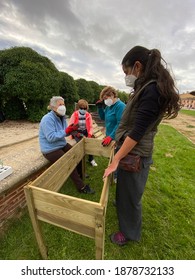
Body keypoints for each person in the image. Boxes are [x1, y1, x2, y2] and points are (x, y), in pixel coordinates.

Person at [103, 46, 181, 245]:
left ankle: (129, 234)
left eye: (126, 72)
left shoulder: (152, 90)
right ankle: (123, 208)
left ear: (137, 66)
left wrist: (117, 159)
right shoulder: (146, 87)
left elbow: (137, 133)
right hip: (132, 151)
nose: (126, 77)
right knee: (126, 191)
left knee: (131, 197)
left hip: (135, 154)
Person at [39, 96, 95, 194]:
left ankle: (80, 175)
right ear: (53, 107)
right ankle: (81, 187)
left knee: (78, 154)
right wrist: (67, 131)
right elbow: (51, 137)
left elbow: (67, 132)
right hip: (50, 149)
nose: (63, 106)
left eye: (63, 104)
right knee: (68, 162)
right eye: (60, 104)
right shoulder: (47, 119)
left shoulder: (62, 117)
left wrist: (75, 132)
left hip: (61, 144)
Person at [96, 86, 126, 183]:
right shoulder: (109, 106)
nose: (105, 100)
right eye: (103, 99)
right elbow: (103, 118)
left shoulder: (120, 106)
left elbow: (120, 123)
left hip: (118, 136)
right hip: (109, 135)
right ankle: (114, 173)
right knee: (113, 155)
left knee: (117, 156)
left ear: (112, 95)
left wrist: (111, 136)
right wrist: (100, 108)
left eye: (106, 98)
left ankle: (117, 176)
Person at [66, 99, 98, 167]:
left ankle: (91, 159)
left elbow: (90, 126)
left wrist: (89, 134)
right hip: (77, 132)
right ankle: (80, 162)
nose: (83, 109)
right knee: (80, 144)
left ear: (86, 108)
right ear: (78, 108)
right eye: (81, 108)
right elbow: (70, 126)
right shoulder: (74, 114)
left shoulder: (88, 115)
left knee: (90, 143)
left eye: (84, 108)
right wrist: (76, 133)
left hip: (85, 131)